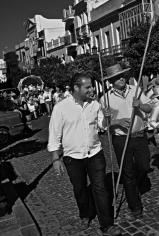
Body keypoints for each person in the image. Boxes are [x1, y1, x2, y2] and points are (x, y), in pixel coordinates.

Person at [47, 73, 121, 236]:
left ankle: (106, 225)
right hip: (73, 158)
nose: (91, 89)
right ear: (76, 88)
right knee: (80, 189)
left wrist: (107, 119)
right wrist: (55, 159)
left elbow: (102, 126)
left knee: (100, 188)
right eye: (87, 86)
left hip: (95, 153)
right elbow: (54, 134)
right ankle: (85, 215)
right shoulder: (61, 108)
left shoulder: (94, 105)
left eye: (91, 86)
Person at [100, 64, 152, 219]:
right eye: (116, 78)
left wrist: (140, 105)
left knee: (144, 167)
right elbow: (102, 125)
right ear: (110, 82)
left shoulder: (135, 90)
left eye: (122, 76)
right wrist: (116, 121)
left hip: (139, 136)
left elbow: (149, 108)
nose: (120, 79)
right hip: (121, 140)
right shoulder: (105, 99)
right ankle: (135, 206)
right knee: (127, 173)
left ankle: (134, 187)